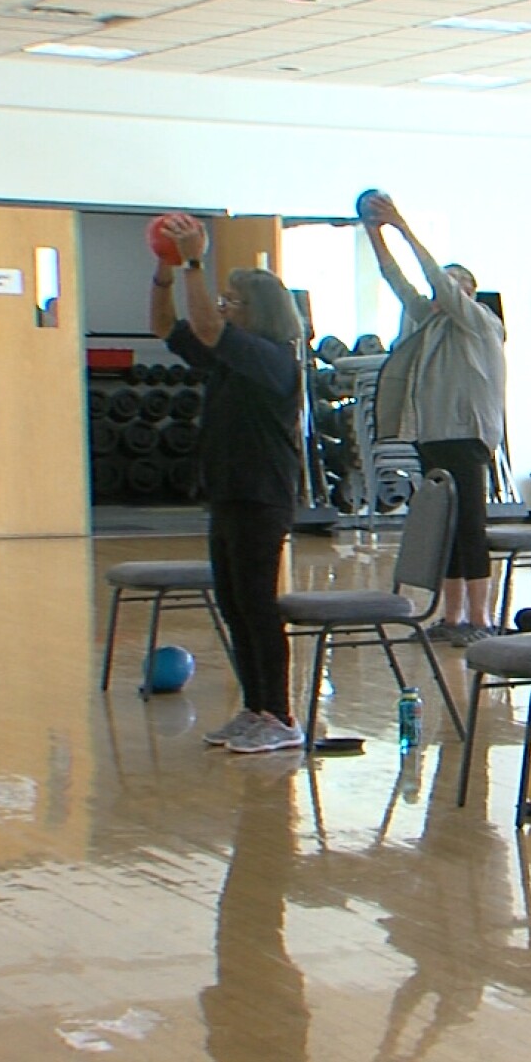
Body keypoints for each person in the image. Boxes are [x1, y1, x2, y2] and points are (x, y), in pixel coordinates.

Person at [148, 215, 306, 754]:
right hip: (230, 493)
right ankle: (256, 708)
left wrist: (196, 261)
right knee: (234, 604)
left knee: (258, 606)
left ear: (255, 312)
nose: (221, 304)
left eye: (232, 299)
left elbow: (210, 328)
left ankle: (281, 717)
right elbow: (166, 327)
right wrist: (166, 271)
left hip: (263, 497)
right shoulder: (230, 356)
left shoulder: (271, 358)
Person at [363, 194, 508, 648]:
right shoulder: (429, 322)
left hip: (467, 437)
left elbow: (431, 279)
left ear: (468, 291)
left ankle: (480, 619)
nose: (445, 286)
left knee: (469, 528)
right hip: (433, 437)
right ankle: (452, 616)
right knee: (445, 529)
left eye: (456, 281)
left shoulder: (480, 321)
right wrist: (373, 233)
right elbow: (396, 279)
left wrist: (403, 226)